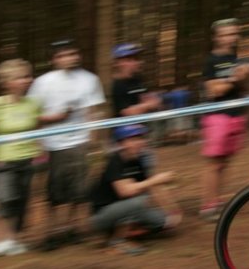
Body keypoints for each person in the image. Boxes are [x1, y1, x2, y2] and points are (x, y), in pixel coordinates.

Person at [27, 39, 106, 250]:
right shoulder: (42, 82)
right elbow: (31, 114)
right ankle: (52, 230)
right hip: (51, 144)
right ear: (54, 59)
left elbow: (93, 112)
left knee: (79, 189)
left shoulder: (89, 79)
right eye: (62, 55)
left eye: (72, 53)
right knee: (53, 191)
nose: (69, 58)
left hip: (80, 141)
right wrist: (40, 138)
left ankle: (71, 227)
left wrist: (94, 142)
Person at [0, 59, 43, 257]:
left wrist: (39, 153)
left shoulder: (34, 103)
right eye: (21, 77)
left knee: (21, 201)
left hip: (27, 158)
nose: (27, 80)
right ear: (7, 82)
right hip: (4, 161)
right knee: (5, 200)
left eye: (28, 76)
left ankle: (13, 240)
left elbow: (37, 130)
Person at [199, 18, 249, 220]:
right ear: (216, 37)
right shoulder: (211, 61)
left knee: (225, 162)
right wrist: (235, 77)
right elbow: (213, 90)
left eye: (233, 34)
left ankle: (216, 200)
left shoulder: (235, 58)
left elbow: (240, 89)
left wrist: (245, 76)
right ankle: (207, 206)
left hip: (236, 114)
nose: (231, 38)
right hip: (217, 116)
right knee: (213, 163)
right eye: (226, 34)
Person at [89, 124, 182, 254]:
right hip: (102, 215)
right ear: (121, 144)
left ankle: (128, 230)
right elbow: (125, 191)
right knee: (140, 201)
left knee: (165, 223)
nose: (139, 142)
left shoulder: (136, 161)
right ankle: (117, 240)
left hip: (126, 208)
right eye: (133, 139)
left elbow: (152, 187)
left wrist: (172, 211)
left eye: (140, 138)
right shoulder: (115, 161)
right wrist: (155, 180)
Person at [110, 43, 162, 118]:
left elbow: (152, 99)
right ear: (120, 63)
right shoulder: (118, 85)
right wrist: (148, 105)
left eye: (137, 59)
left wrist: (145, 105)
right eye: (131, 60)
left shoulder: (138, 79)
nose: (138, 63)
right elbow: (127, 112)